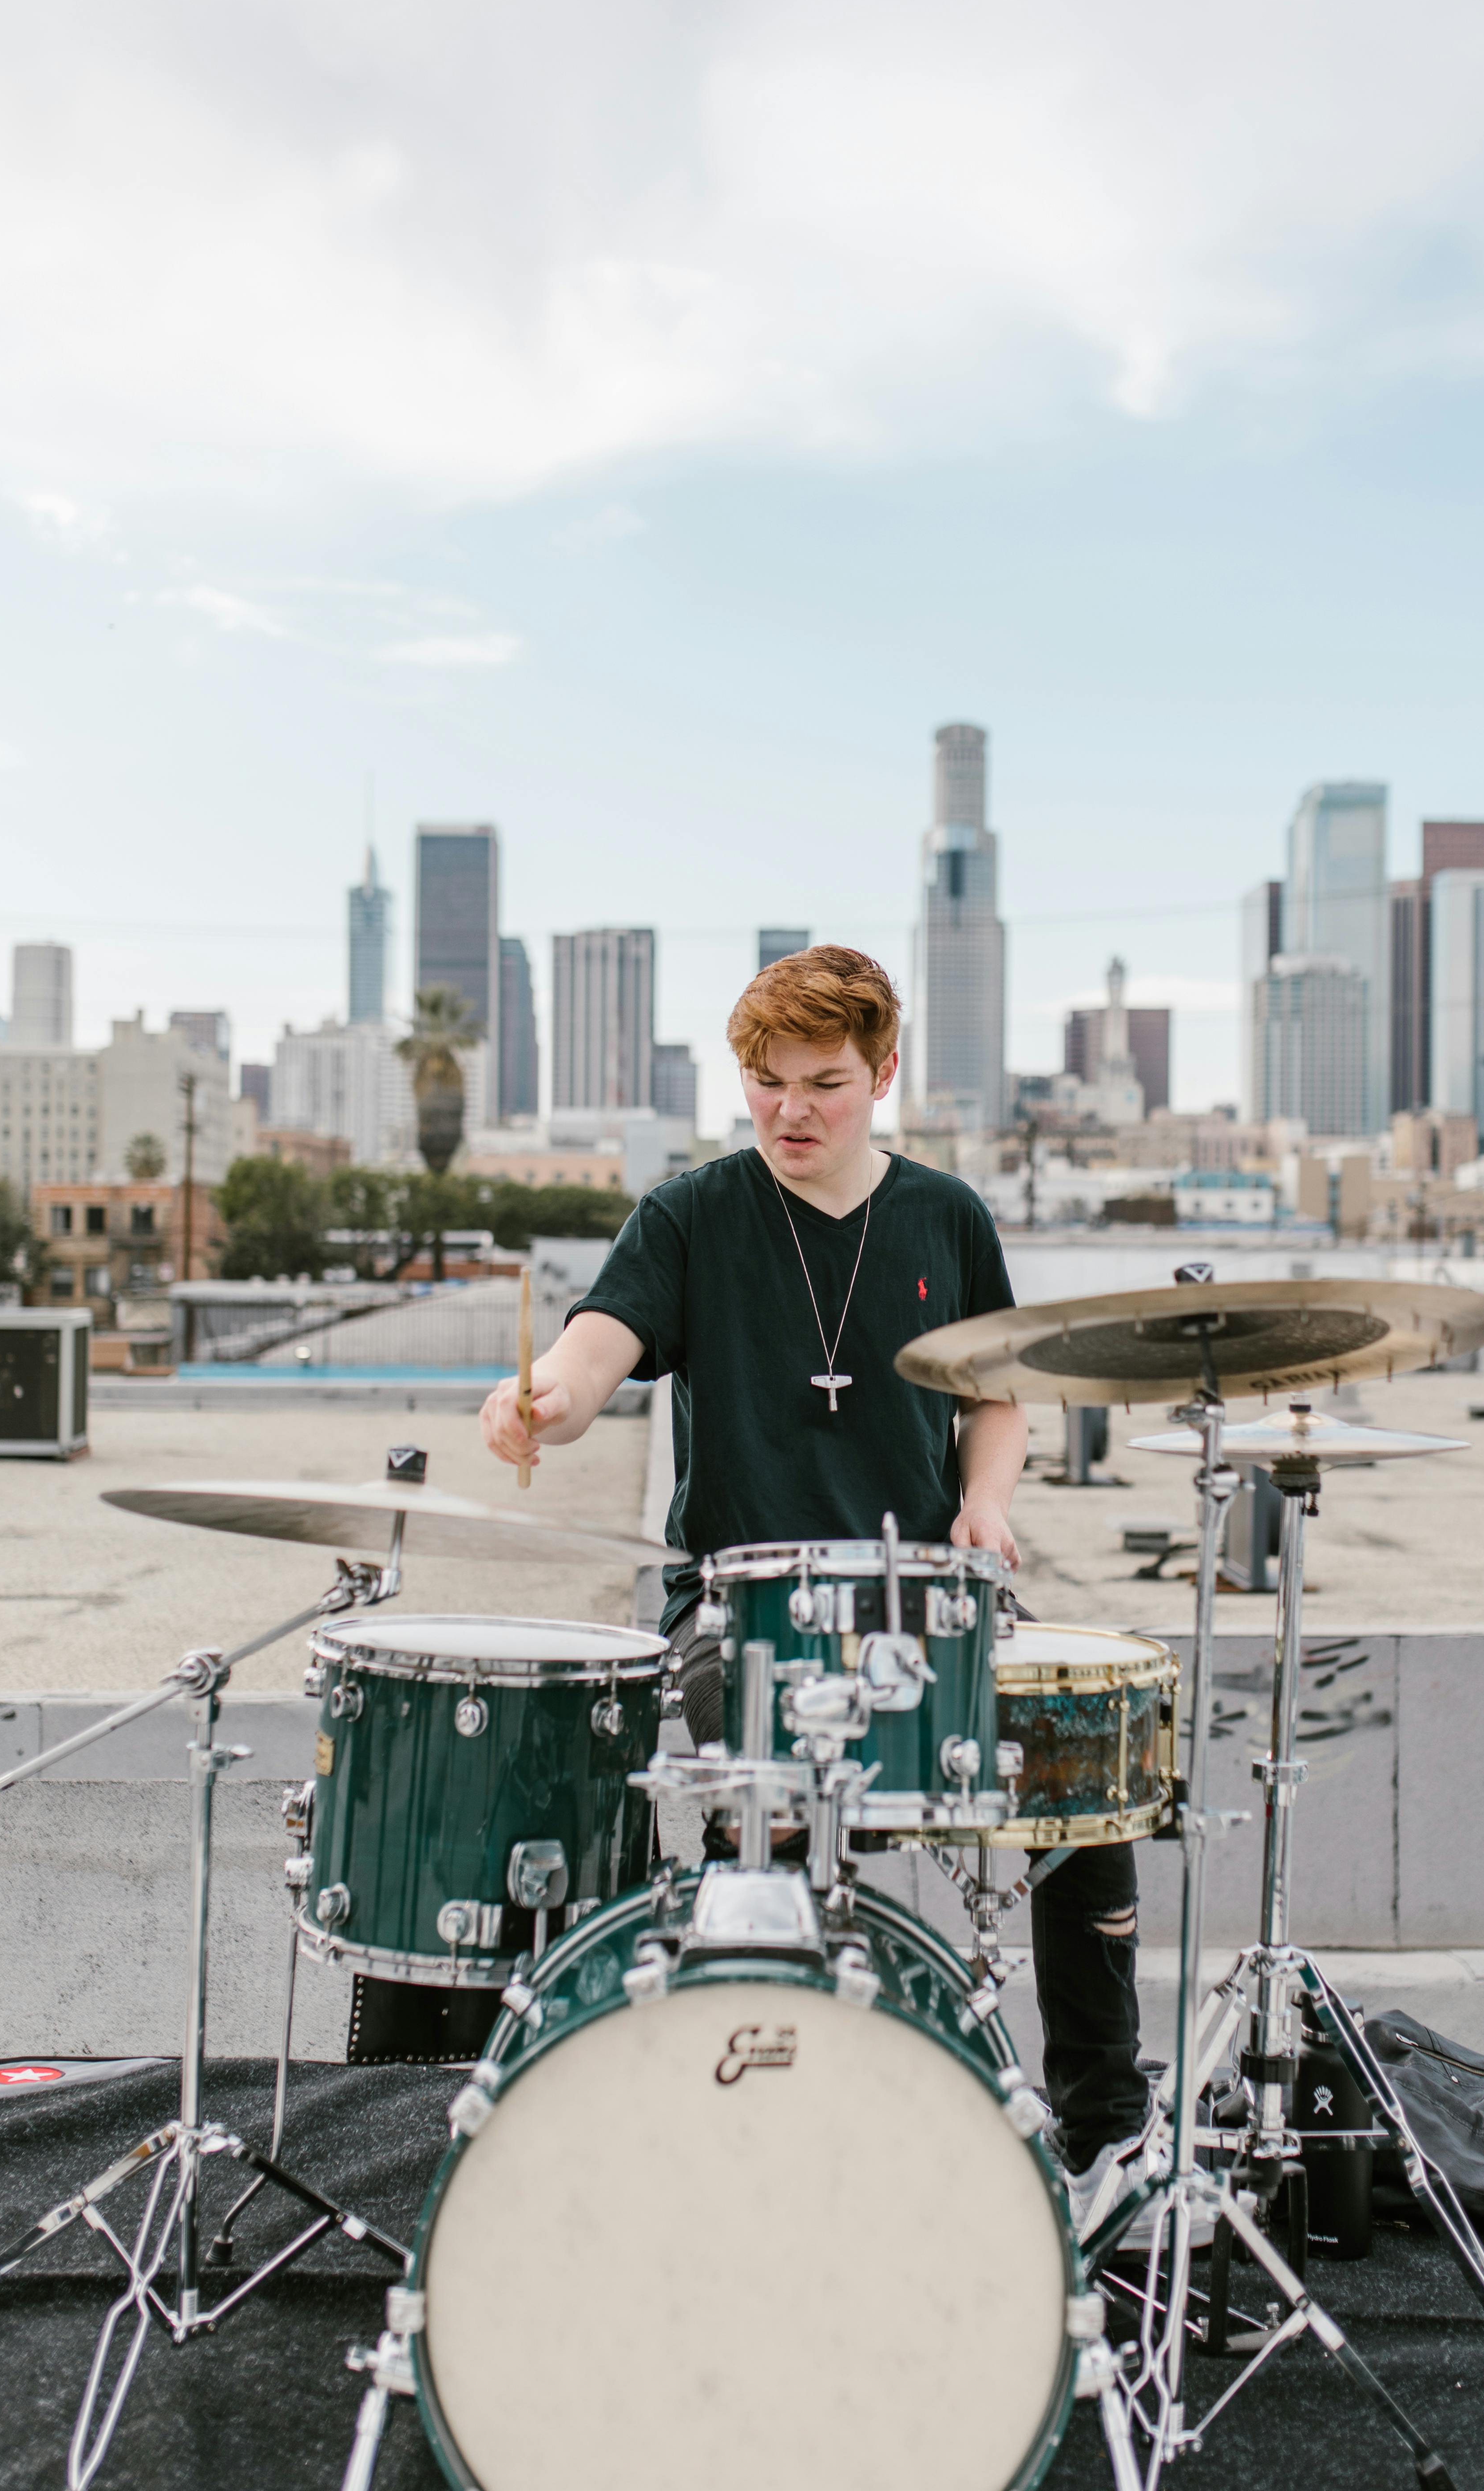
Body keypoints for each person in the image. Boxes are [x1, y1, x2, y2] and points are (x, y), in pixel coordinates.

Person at [480, 943, 1151, 2233]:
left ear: (884, 1073)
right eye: (766, 1080)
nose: (790, 1109)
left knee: (1079, 1757)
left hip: (929, 1599)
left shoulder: (946, 1216)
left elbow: (996, 1397)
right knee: (767, 1804)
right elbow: (589, 1354)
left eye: (823, 1083)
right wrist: (538, 1402)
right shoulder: (689, 1214)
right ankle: (769, 2131)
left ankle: (1102, 2132)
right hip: (737, 1613)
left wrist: (987, 1499)